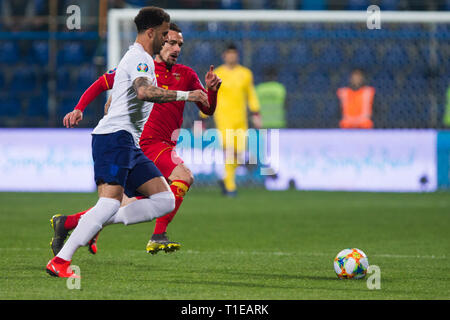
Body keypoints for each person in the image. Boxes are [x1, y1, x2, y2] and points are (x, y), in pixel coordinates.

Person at [46, 7, 211, 278]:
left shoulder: (141, 58)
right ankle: (62, 261)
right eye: (163, 34)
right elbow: (145, 91)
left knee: (164, 200)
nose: (166, 38)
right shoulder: (140, 58)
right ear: (151, 33)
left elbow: (127, 89)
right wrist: (186, 95)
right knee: (109, 204)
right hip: (114, 137)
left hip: (129, 143)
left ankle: (82, 223)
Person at [205, 43, 261, 197]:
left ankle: (225, 179)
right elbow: (209, 95)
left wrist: (256, 113)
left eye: (234, 53)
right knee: (229, 150)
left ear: (237, 55)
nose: (231, 56)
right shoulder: (216, 74)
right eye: (229, 53)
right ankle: (230, 187)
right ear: (224, 56)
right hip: (223, 119)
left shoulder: (245, 73)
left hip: (240, 120)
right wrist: (202, 118)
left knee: (240, 153)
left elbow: (251, 94)